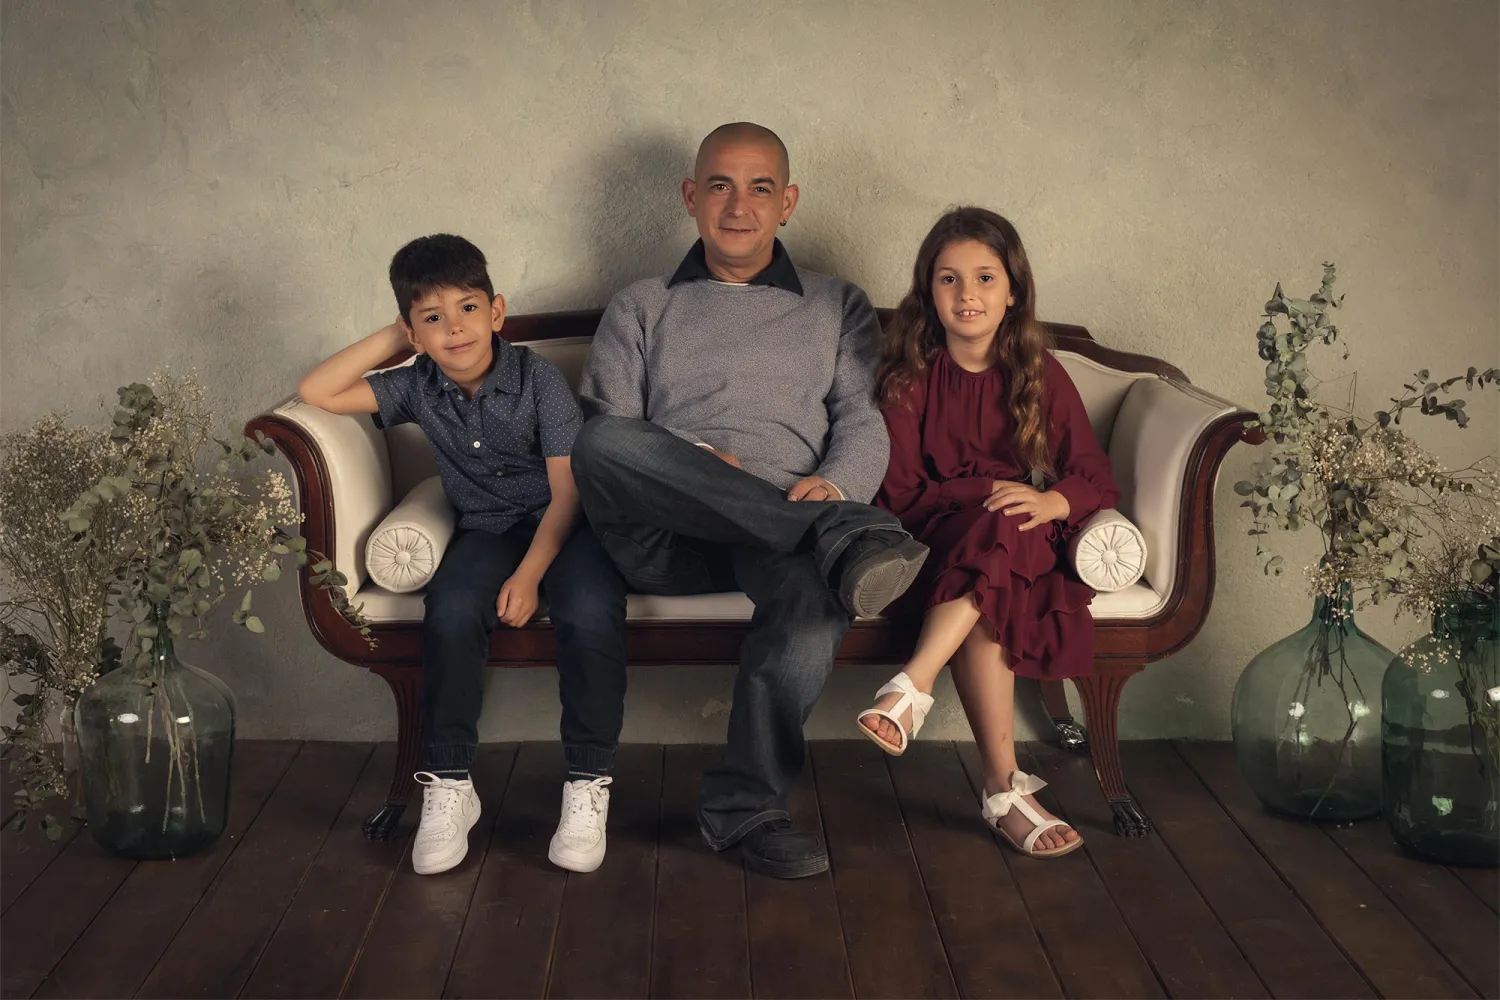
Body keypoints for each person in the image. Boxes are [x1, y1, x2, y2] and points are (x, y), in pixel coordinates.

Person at [572, 122, 927, 878]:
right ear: (690, 197)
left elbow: (864, 420)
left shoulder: (838, 304)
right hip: (662, 534)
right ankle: (832, 535)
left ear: (788, 201)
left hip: (773, 537)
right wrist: (700, 464)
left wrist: (832, 486)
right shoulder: (641, 304)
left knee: (811, 606)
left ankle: (743, 811)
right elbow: (612, 435)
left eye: (760, 187)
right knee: (600, 445)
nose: (739, 205)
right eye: (721, 186)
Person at [297, 234, 628, 876]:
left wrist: (531, 575)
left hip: (568, 525)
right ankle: (449, 784)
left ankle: (588, 783)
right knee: (448, 608)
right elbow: (319, 391)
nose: (455, 328)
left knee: (590, 610)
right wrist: (396, 339)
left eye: (468, 308)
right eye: (432, 317)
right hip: (486, 530)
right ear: (414, 332)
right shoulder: (415, 385)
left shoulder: (539, 381)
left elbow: (568, 495)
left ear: (497, 312)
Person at [859, 207, 1120, 859]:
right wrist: (988, 492)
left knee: (1009, 533)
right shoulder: (908, 380)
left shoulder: (1040, 375)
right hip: (937, 543)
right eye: (949, 280)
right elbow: (902, 495)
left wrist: (1052, 500)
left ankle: (912, 685)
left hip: (1024, 541)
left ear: (1013, 290)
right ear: (928, 292)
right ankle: (1004, 792)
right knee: (996, 537)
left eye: (984, 278)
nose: (967, 295)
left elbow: (1092, 475)